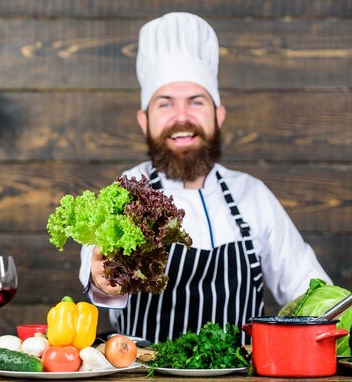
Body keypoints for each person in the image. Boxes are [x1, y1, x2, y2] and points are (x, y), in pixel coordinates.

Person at [79, 12, 331, 343]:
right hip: (145, 375)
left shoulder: (252, 195)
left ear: (218, 115)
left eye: (196, 102)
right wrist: (103, 278)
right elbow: (99, 271)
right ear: (144, 121)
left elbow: (311, 293)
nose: (181, 117)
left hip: (239, 376)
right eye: (165, 104)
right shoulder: (125, 191)